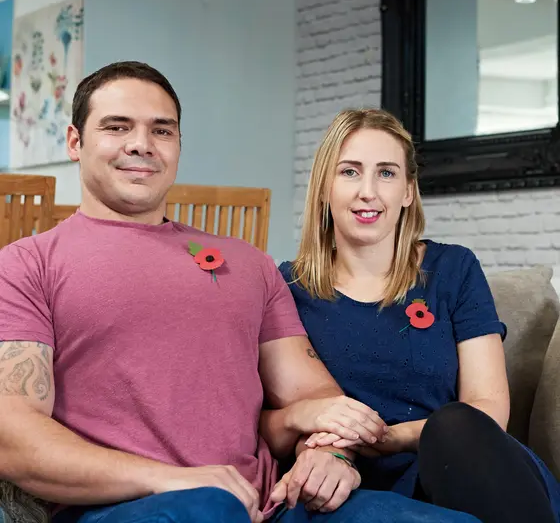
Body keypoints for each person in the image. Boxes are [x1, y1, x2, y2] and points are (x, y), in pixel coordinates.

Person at [0, 62, 479, 523]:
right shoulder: (26, 266)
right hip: (129, 505)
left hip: (275, 502)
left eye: (162, 130)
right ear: (75, 142)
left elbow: (312, 392)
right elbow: (13, 439)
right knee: (209, 508)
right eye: (117, 127)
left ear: (179, 146)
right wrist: (170, 479)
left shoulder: (248, 262)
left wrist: (330, 452)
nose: (141, 145)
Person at [278, 108, 560, 523]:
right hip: (355, 485)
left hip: (464, 467)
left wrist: (389, 437)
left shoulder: (455, 269)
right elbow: (263, 413)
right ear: (324, 187)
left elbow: (489, 406)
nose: (368, 192)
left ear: (409, 191)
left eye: (387, 173)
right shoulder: (287, 286)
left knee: (455, 426)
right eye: (350, 172)